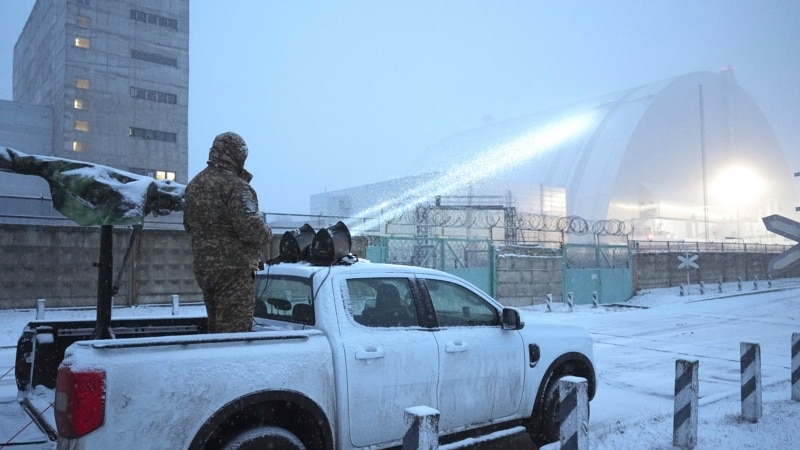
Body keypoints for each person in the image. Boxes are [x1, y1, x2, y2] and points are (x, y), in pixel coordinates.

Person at [183, 132, 271, 333]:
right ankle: (229, 365)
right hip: (234, 269)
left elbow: (188, 224)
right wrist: (268, 232)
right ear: (235, 155)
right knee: (234, 332)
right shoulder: (236, 187)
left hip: (205, 268)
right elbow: (252, 230)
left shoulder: (195, 185)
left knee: (215, 328)